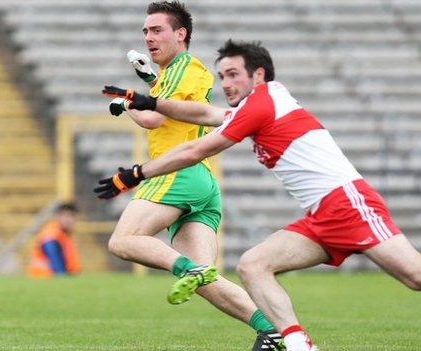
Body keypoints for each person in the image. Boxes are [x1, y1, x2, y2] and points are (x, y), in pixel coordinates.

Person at [97, 39, 421, 351]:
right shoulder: (257, 105)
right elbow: (204, 114)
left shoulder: (262, 102)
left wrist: (134, 174)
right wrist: (151, 100)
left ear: (259, 75)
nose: (225, 83)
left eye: (234, 75)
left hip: (348, 204)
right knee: (253, 265)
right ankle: (296, 344)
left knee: (415, 277)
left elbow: (197, 147)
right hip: (321, 215)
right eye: (222, 76)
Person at [104, 2, 281, 349]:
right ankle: (274, 330)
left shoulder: (183, 69)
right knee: (207, 279)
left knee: (122, 242)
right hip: (200, 182)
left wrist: (125, 105)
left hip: (176, 173)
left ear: (180, 34)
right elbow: (172, 107)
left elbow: (154, 118)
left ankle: (188, 268)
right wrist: (149, 81)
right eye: (145, 32)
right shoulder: (177, 71)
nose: (149, 38)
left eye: (157, 30)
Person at [27, 203, 81, 277]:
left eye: (71, 216)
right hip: (44, 278)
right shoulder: (51, 234)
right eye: (64, 216)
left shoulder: (63, 235)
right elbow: (52, 252)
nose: (67, 220)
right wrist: (61, 273)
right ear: (57, 216)